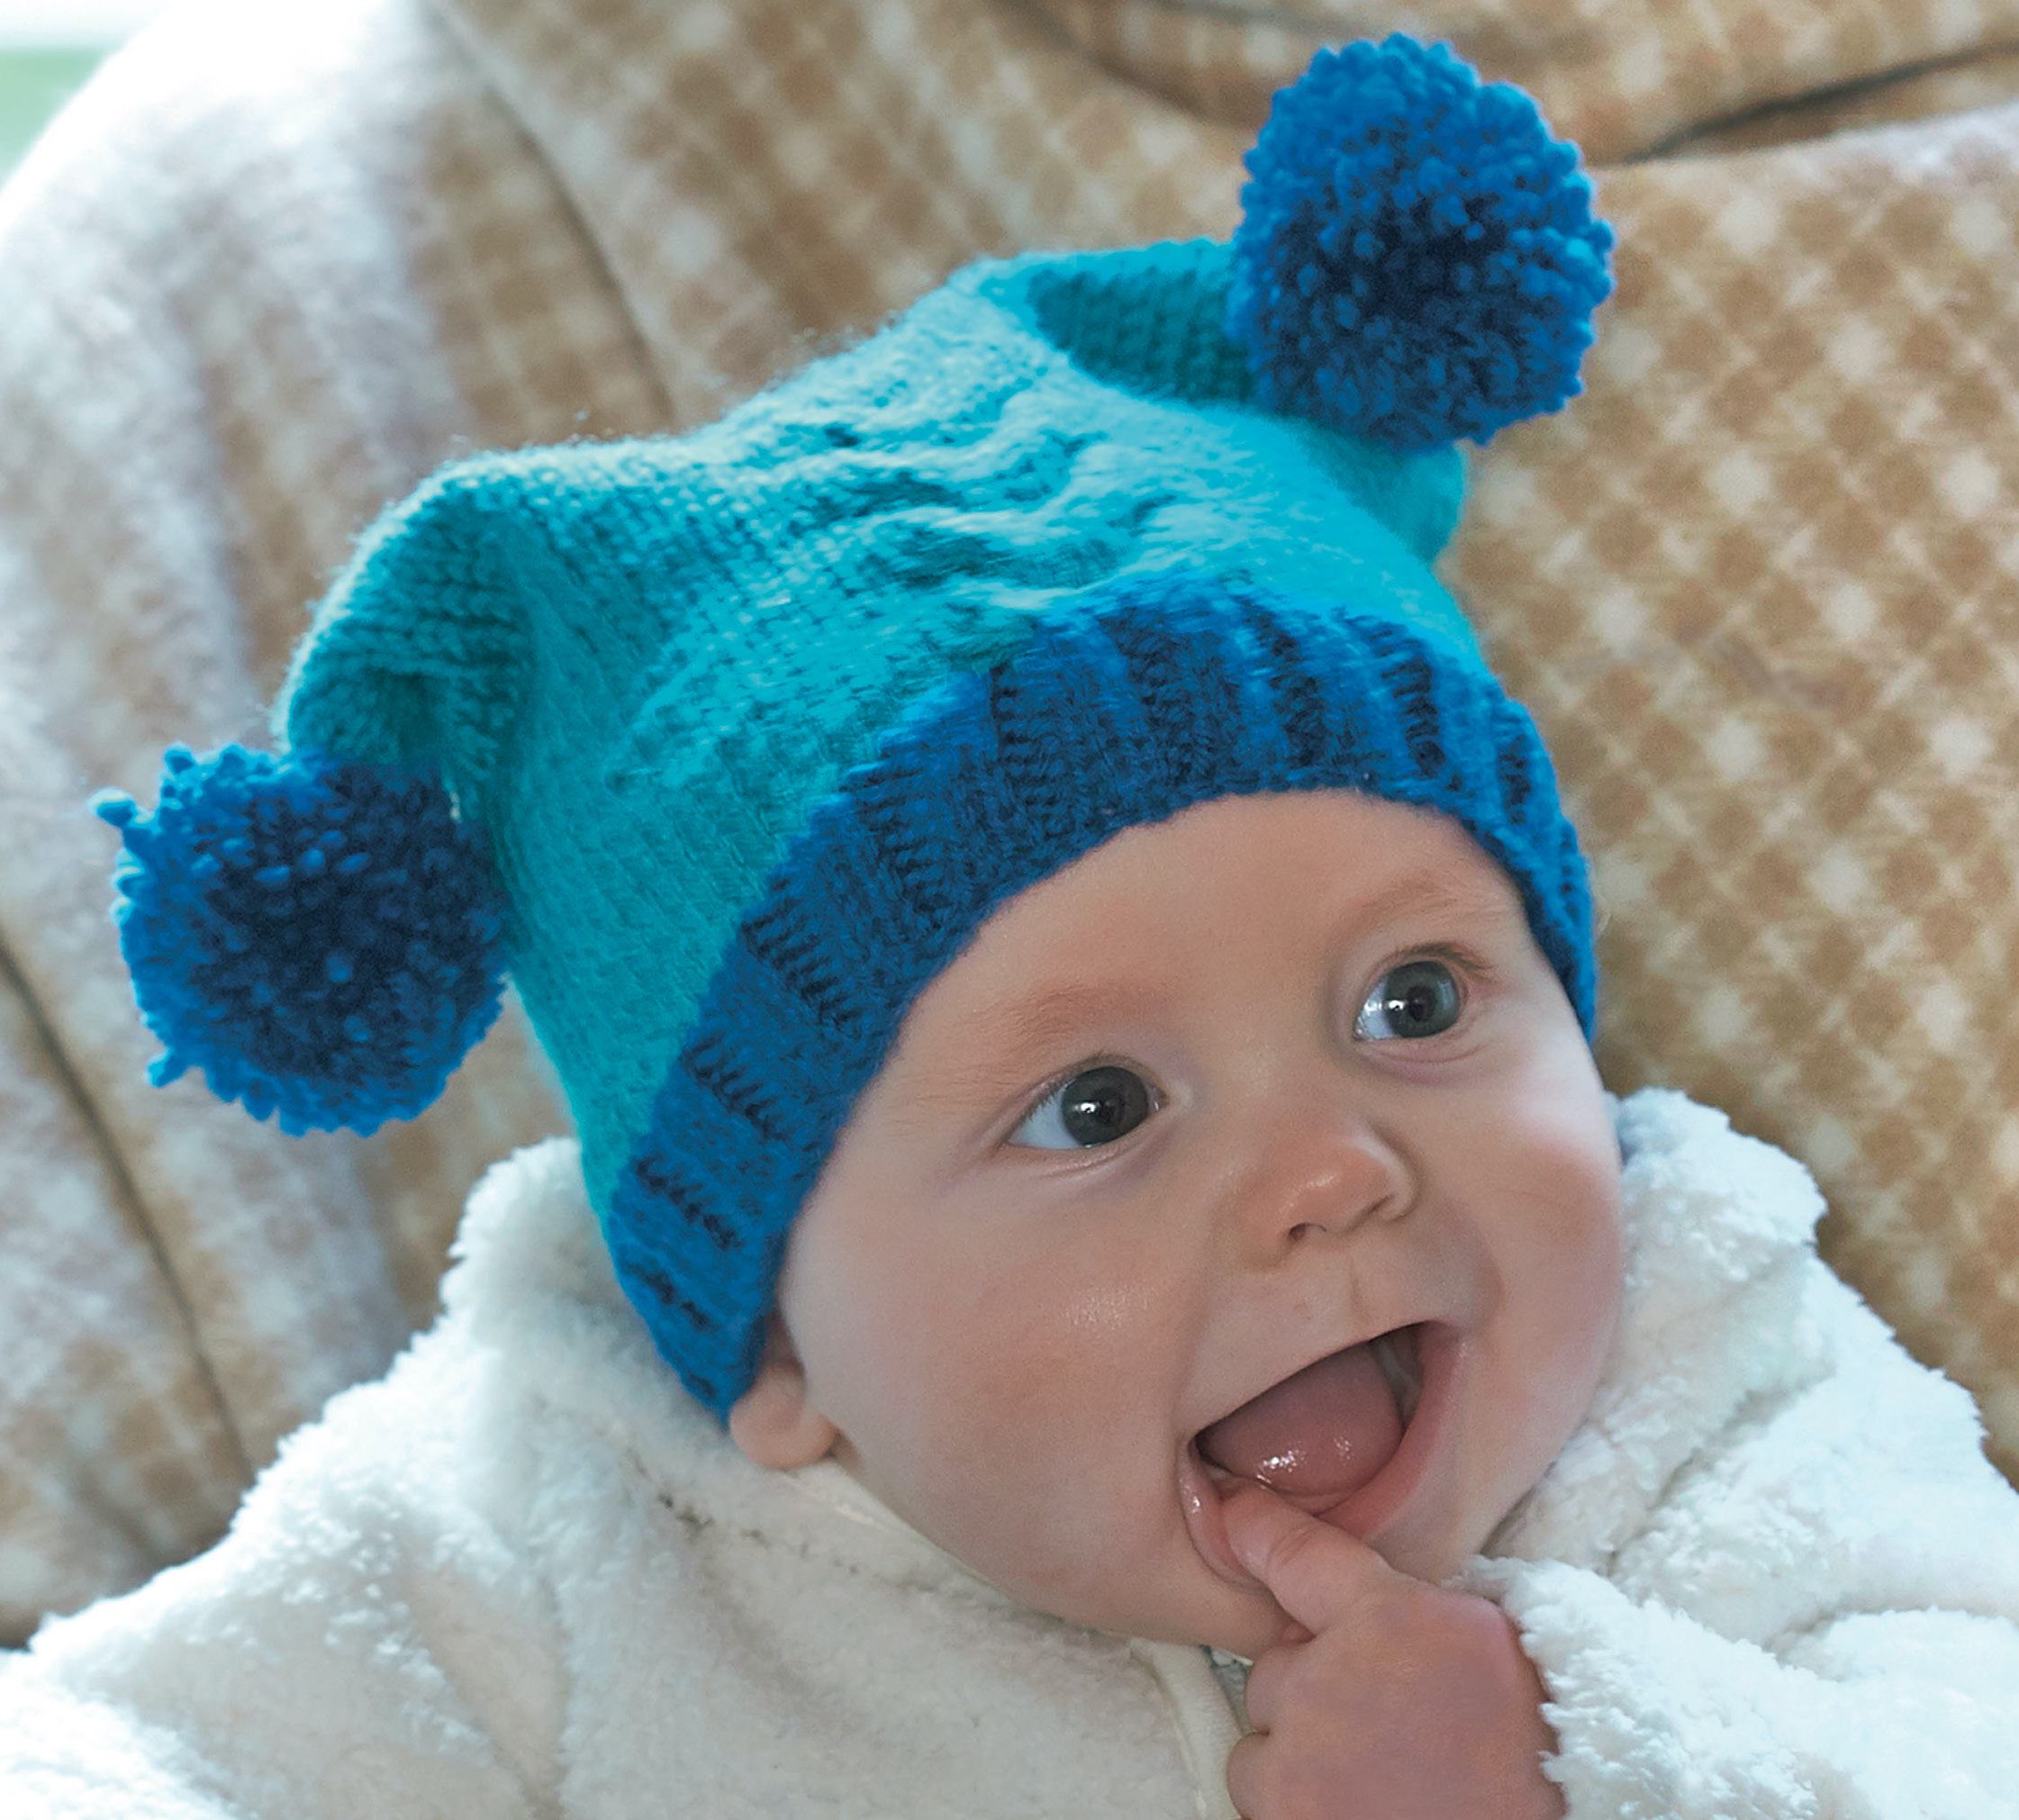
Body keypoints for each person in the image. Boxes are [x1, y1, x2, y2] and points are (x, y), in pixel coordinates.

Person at [5, 35, 2018, 1819]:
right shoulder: (547, 1517)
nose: (1328, 1172)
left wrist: (1577, 1765)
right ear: (774, 1342)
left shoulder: (1699, 1370)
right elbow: (122, 1754)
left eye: (1414, 999)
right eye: (1095, 1106)